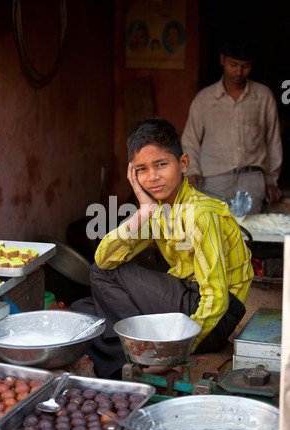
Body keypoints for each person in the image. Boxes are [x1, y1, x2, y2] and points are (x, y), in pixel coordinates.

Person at [72, 117, 254, 379]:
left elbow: (216, 297)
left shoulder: (198, 214)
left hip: (212, 317)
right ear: (132, 174)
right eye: (141, 169)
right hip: (189, 302)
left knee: (103, 275)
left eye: (161, 165)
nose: (152, 177)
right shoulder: (158, 210)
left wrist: (176, 350)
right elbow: (105, 255)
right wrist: (144, 211)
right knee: (86, 312)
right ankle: (135, 360)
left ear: (183, 164)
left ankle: (151, 355)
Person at [181, 37, 283, 214]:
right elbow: (190, 140)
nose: (239, 72)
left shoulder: (264, 97)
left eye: (246, 66)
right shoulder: (204, 99)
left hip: (252, 180)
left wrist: (270, 181)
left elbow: (273, 142)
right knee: (212, 236)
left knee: (249, 237)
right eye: (233, 64)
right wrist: (193, 171)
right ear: (222, 60)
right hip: (212, 182)